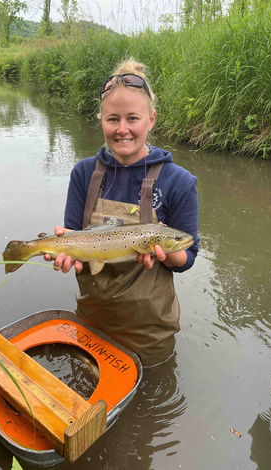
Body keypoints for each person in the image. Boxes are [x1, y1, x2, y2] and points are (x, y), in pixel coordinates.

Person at [44, 59, 199, 367]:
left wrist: (167, 254)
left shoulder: (179, 182)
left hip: (150, 332)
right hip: (92, 320)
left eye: (133, 118)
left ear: (151, 119)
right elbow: (74, 237)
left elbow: (188, 256)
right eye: (113, 119)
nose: (122, 129)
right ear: (101, 120)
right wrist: (62, 253)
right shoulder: (83, 173)